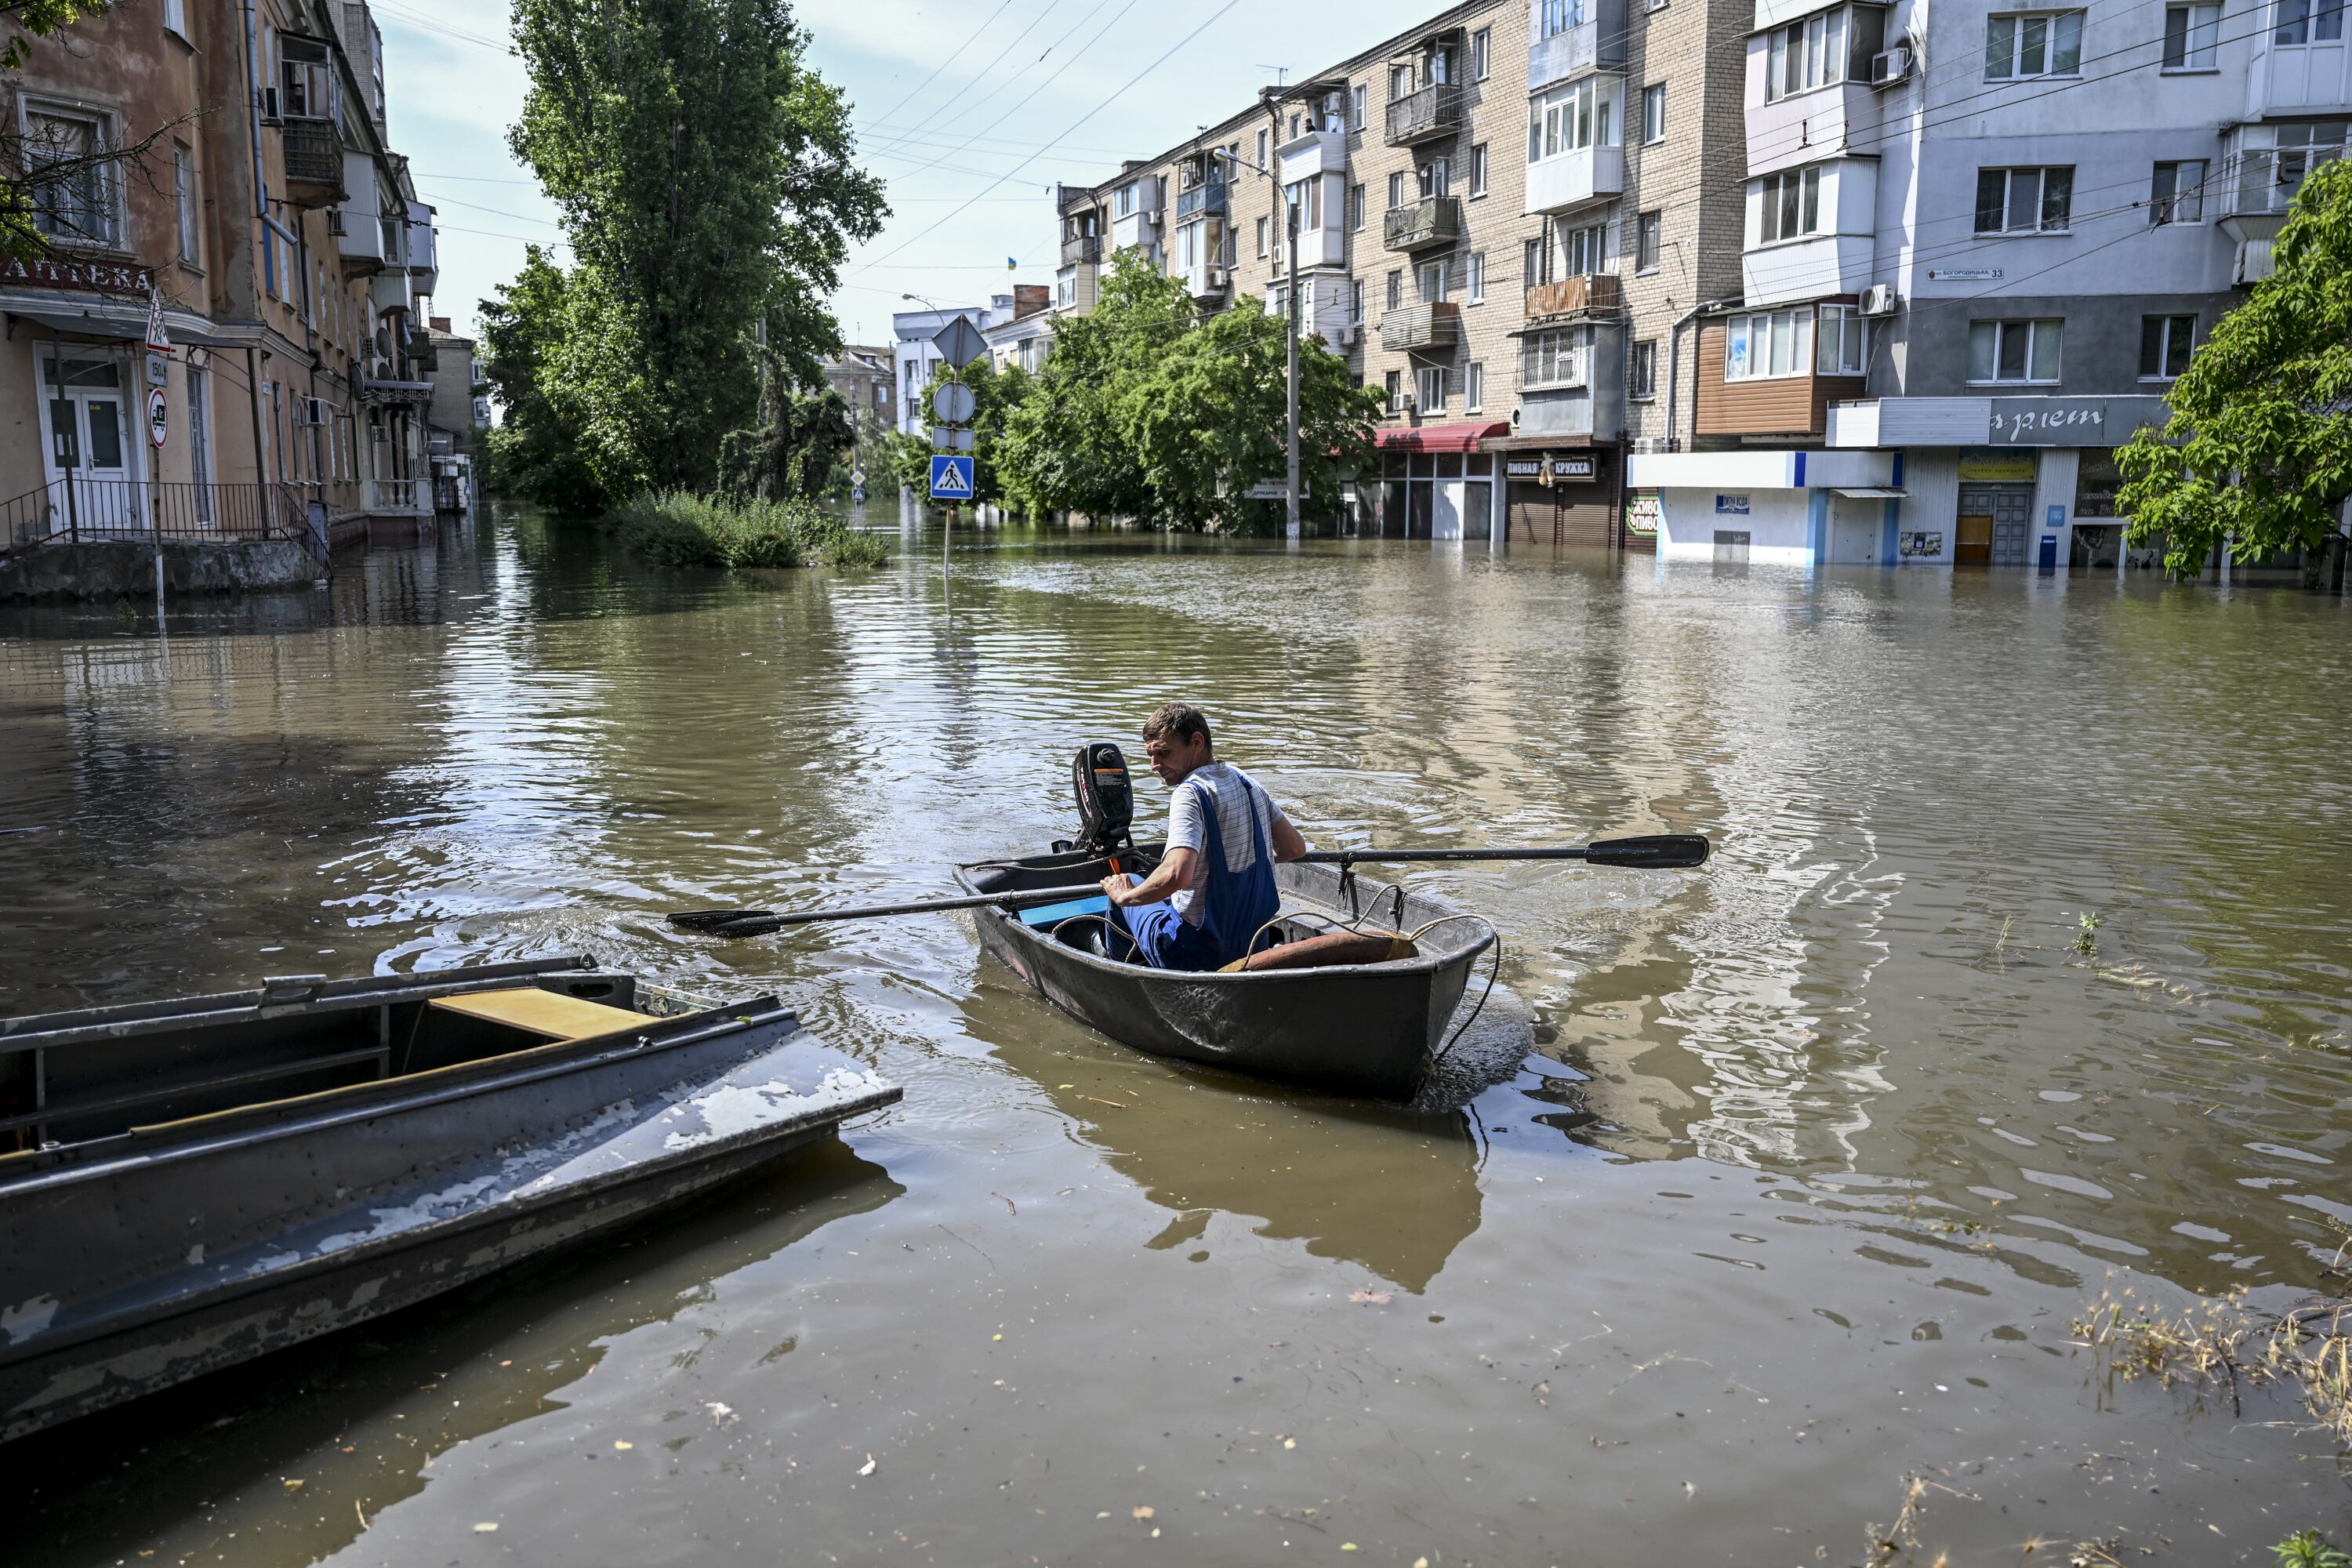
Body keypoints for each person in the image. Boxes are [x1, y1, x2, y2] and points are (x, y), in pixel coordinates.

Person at [1100, 702, 1308, 971]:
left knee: (1125, 883)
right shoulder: (1247, 783)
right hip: (1254, 948)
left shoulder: (1189, 794)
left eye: (1163, 753)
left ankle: (1116, 966)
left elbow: (1177, 875)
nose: (1154, 766)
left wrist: (1125, 896)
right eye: (1150, 755)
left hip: (1192, 954)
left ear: (1196, 742)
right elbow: (1295, 848)